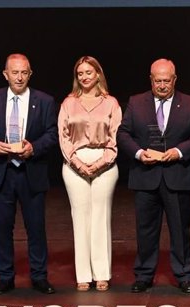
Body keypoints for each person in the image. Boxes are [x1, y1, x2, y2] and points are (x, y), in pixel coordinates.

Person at [117, 58, 190, 294]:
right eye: (157, 81)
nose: (162, 85)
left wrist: (178, 152)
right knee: (145, 230)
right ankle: (144, 275)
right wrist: (138, 153)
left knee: (180, 229)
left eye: (166, 81)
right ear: (150, 79)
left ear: (175, 79)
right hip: (145, 176)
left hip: (177, 176)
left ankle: (184, 275)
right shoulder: (137, 103)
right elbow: (123, 134)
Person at [0, 53, 58, 295]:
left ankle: (39, 276)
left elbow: (52, 134)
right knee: (2, 228)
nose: (19, 77)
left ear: (30, 74)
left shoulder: (44, 101)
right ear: (6, 74)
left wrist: (34, 148)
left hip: (31, 172)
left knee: (36, 228)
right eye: (15, 72)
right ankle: (5, 277)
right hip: (0, 173)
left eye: (24, 72)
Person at [59, 56, 121, 292]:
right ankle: (83, 274)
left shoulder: (111, 103)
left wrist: (100, 163)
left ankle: (102, 272)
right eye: (80, 73)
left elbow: (116, 137)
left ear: (98, 74)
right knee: (80, 217)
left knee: (100, 217)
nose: (84, 77)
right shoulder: (68, 103)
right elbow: (63, 137)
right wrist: (77, 163)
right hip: (75, 164)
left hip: (104, 163)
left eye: (89, 72)